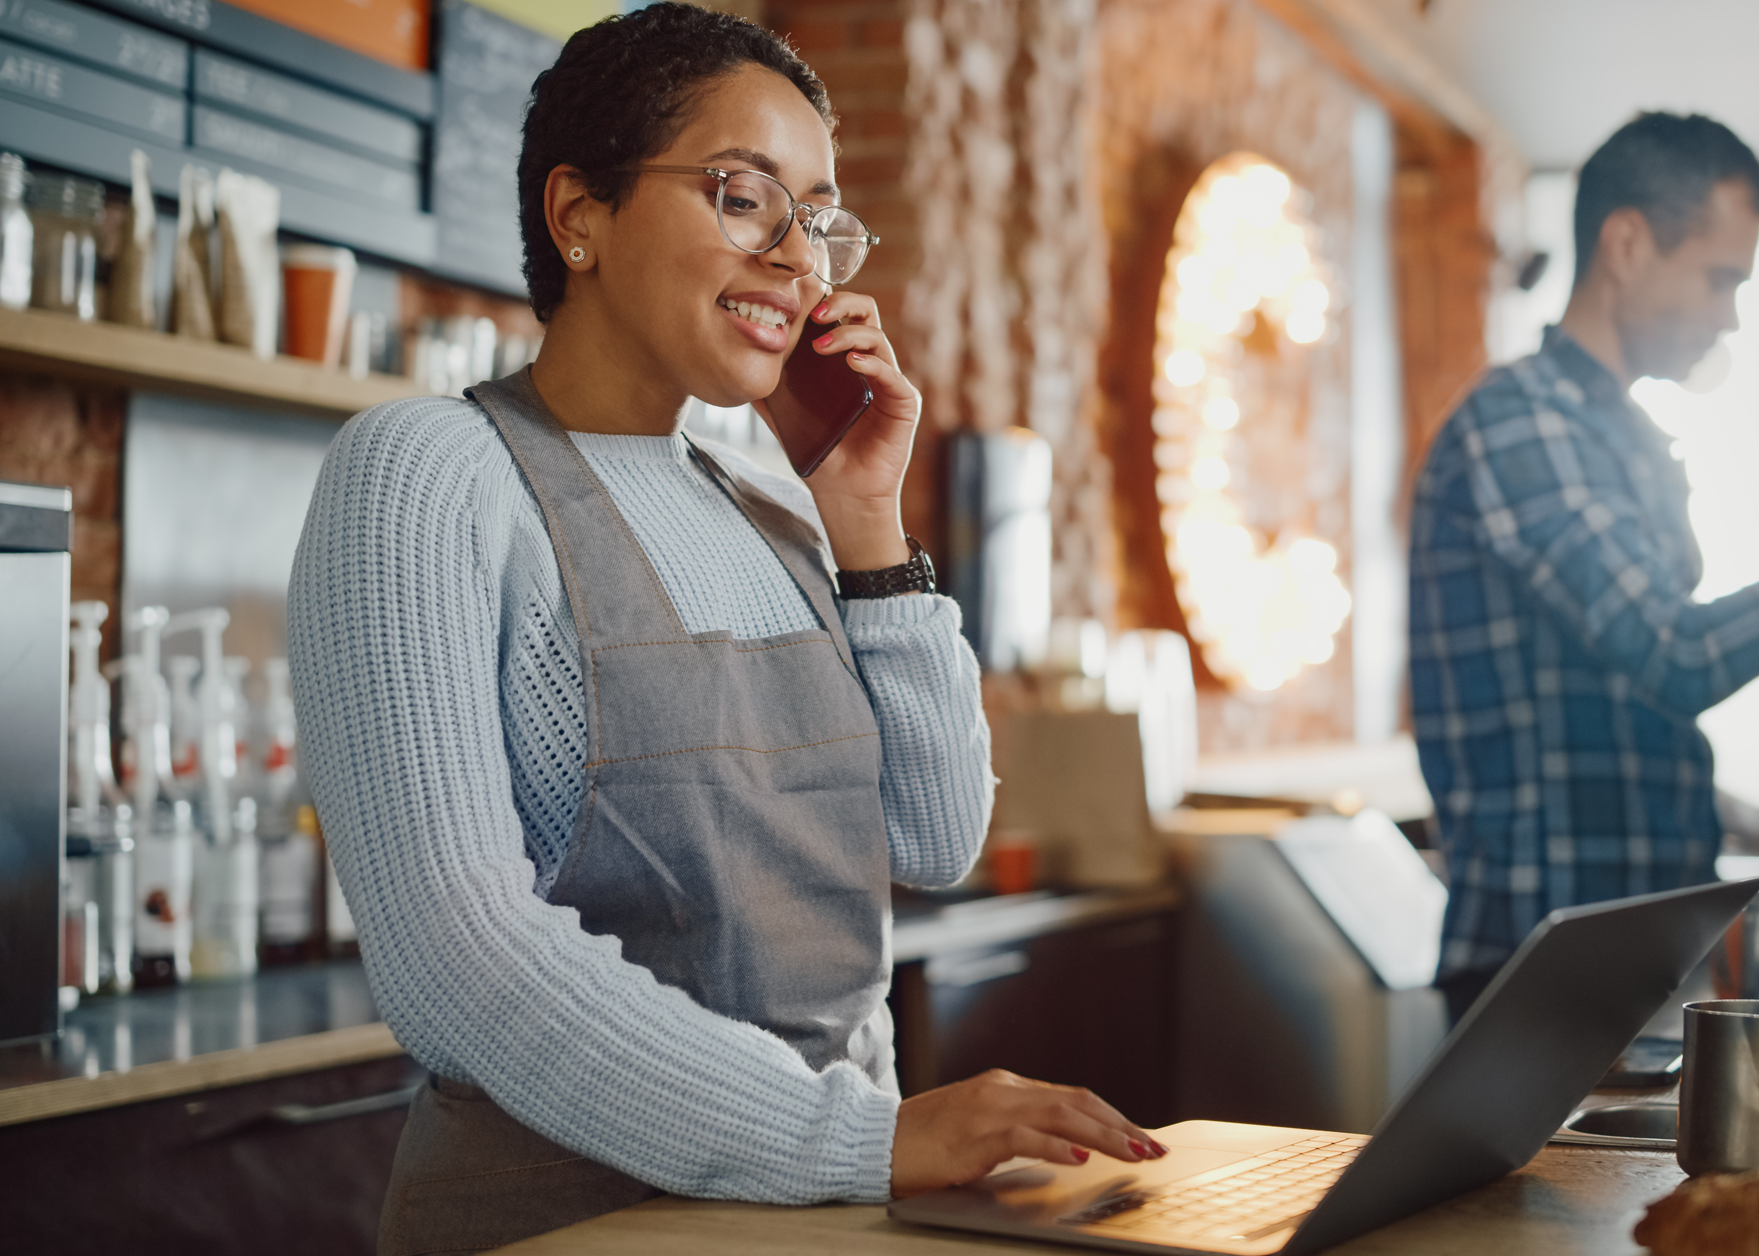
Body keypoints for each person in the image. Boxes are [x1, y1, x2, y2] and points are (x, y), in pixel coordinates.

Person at [287, 8, 1159, 1253]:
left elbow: (937, 832)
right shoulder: (428, 471)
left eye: (817, 219)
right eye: (744, 196)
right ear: (577, 212)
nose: (801, 258)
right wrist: (862, 1139)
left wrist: (866, 517)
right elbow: (457, 960)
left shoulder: (776, 507)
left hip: (825, 1214)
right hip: (568, 1222)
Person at [1407, 113, 1759, 1021]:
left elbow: (1607, 720)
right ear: (1626, 243)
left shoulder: (1620, 439)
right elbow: (1674, 658)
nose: (1729, 316)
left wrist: (1751, 817)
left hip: (1634, 946)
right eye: (1720, 279)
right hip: (1541, 959)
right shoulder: (1523, 422)